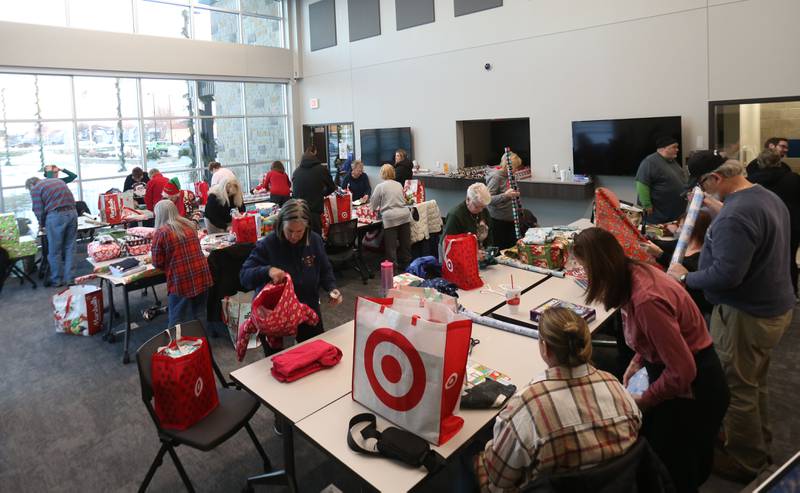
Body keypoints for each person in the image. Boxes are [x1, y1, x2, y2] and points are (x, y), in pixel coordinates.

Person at [667, 152, 795, 483]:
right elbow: (750, 233)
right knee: (755, 381)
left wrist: (683, 277)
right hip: (773, 308)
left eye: (702, 185)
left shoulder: (735, 218)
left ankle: (745, 460)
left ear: (715, 179)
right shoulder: (765, 199)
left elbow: (725, 275)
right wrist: (720, 211)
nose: (702, 192)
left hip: (745, 314)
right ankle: (759, 443)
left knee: (737, 387)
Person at [573, 226, 729, 492]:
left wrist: (645, 401)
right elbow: (656, 338)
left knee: (676, 472)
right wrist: (638, 360)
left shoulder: (646, 300)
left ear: (599, 268)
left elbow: (682, 371)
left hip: (695, 390)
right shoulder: (636, 273)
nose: (584, 277)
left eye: (585, 270)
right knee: (678, 461)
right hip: (688, 379)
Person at [474, 306, 641, 491]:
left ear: (544, 348)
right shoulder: (615, 386)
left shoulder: (528, 405)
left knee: (470, 457)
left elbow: (499, 478)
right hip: (618, 484)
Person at [240, 199, 341, 345]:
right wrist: (267, 271)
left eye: (300, 231)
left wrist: (332, 288)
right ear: (281, 225)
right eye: (290, 231)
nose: (294, 236)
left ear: (307, 227)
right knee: (278, 360)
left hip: (307, 309)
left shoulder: (314, 240)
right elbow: (244, 276)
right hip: (275, 316)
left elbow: (325, 269)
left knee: (315, 351)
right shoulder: (268, 244)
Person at [151, 199, 213, 329]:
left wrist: (169, 265)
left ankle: (176, 344)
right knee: (200, 314)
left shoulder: (161, 232)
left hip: (181, 280)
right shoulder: (189, 225)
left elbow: (157, 263)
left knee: (177, 319)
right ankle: (201, 343)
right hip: (202, 274)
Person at [746, 148, 800, 296]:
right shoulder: (793, 178)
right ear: (779, 162)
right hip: (791, 226)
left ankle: (767, 292)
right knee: (788, 258)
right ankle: (792, 291)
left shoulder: (750, 183)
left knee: (763, 259)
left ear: (759, 163)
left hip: (763, 227)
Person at [25, 176, 77, 287]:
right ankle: (70, 279)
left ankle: (57, 280)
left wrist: (41, 224)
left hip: (56, 216)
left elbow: (38, 209)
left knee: (54, 251)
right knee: (70, 248)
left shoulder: (36, 188)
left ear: (31, 185)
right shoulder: (58, 180)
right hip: (72, 213)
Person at [635, 136, 687, 224]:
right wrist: (646, 205)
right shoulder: (649, 162)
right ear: (663, 148)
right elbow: (642, 184)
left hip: (674, 213)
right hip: (658, 215)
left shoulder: (672, 161)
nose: (677, 149)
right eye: (674, 147)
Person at [370, 164, 412, 271]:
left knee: (391, 249)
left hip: (390, 219)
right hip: (404, 216)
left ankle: (393, 274)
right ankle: (408, 269)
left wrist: (376, 208)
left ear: (382, 174)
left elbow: (373, 205)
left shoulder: (380, 187)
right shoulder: (398, 184)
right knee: (405, 246)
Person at [676, 210, 714, 320]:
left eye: (682, 227)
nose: (678, 231)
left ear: (694, 230)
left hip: (694, 312)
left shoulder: (701, 259)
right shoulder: (683, 247)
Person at [291, 145, 336, 234]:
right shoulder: (321, 169)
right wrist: (322, 193)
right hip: (314, 213)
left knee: (302, 242)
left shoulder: (296, 172)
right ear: (315, 157)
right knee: (315, 242)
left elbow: (294, 193)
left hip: (299, 213)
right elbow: (332, 187)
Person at [485, 152, 523, 249]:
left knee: (512, 249)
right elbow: (487, 199)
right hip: (499, 221)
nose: (517, 170)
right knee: (502, 249)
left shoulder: (511, 176)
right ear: (507, 166)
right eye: (515, 167)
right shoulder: (496, 177)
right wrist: (506, 196)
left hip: (511, 219)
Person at [442, 182, 494, 251]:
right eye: (476, 207)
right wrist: (474, 255)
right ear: (468, 199)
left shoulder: (484, 211)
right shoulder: (455, 216)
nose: (480, 210)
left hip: (481, 255)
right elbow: (448, 246)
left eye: (483, 207)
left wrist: (488, 252)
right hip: (460, 256)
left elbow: (489, 238)